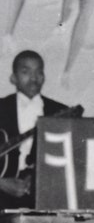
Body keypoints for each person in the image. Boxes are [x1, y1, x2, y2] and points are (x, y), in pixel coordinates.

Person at [0, 50, 68, 209]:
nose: (34, 78)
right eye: (26, 72)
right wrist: (1, 184)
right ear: (13, 78)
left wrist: (37, 177)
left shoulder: (60, 111)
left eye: (39, 72)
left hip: (45, 197)